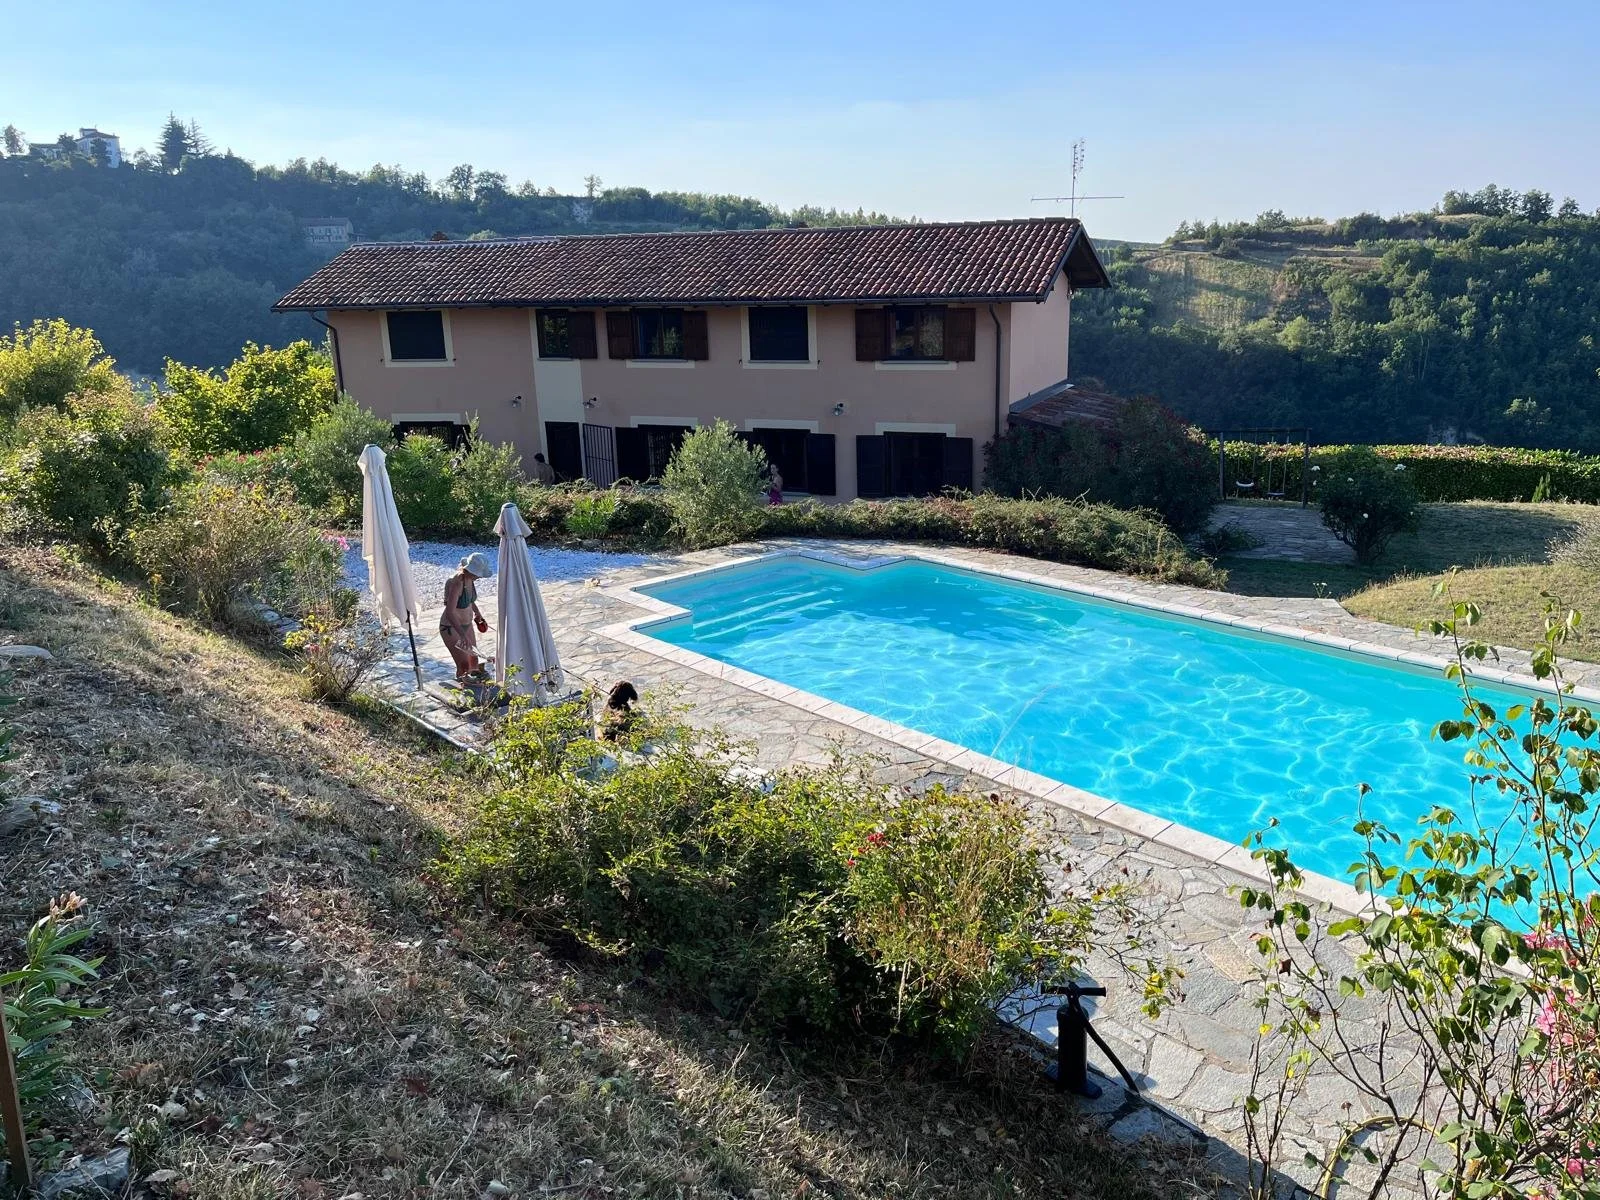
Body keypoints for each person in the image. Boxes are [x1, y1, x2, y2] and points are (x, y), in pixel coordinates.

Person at [439, 552, 492, 680]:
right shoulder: (456, 582)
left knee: (473, 662)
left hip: (467, 624)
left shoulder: (470, 579)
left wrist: (477, 613)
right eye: (477, 574)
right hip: (451, 627)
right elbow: (450, 612)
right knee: (464, 667)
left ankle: (476, 692)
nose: (478, 577)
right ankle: (463, 693)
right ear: (469, 569)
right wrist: (462, 635)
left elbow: (469, 600)